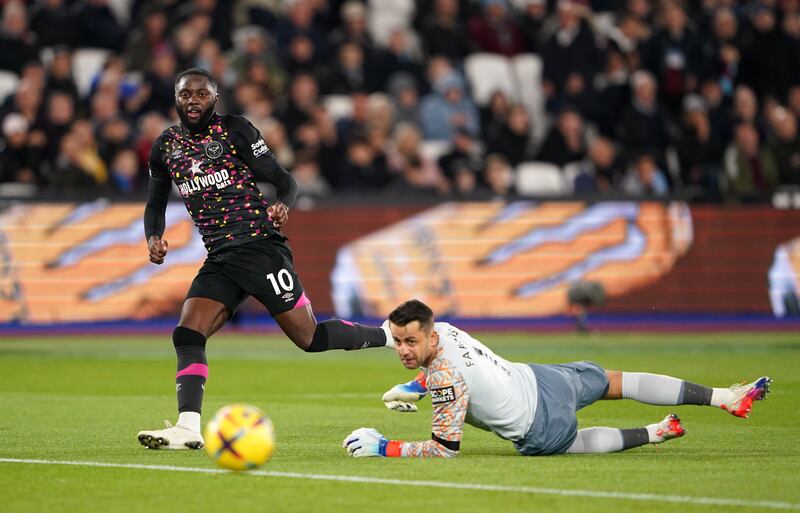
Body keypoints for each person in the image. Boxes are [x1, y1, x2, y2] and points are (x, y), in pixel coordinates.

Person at [137, 68, 393, 450]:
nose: (193, 101)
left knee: (310, 338)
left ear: (215, 100)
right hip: (220, 256)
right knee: (188, 333)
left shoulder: (235, 130)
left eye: (201, 94)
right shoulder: (166, 146)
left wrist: (282, 205)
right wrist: (153, 237)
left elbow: (284, 179)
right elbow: (155, 203)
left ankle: (388, 334)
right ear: (175, 99)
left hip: (259, 247)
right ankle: (188, 426)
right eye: (185, 94)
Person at [342, 300, 771, 458]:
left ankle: (653, 434)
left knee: (574, 444)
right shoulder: (446, 331)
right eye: (397, 341)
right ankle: (723, 397)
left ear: (429, 336)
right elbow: (445, 373)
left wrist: (383, 446)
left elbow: (442, 450)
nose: (401, 349)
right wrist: (411, 387)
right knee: (616, 382)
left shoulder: (443, 378)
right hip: (542, 378)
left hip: (539, 424)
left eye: (409, 342)